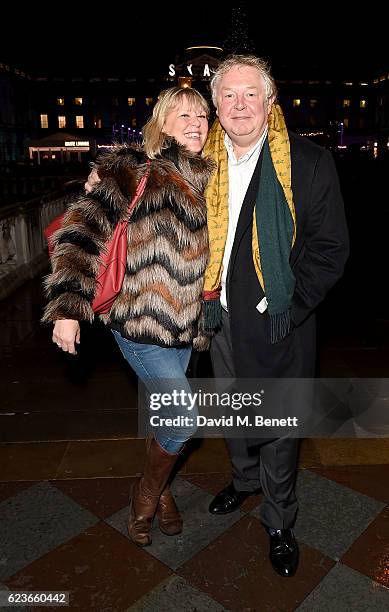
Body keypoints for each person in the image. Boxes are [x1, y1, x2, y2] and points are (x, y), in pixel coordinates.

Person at [42, 87, 214, 547]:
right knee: (183, 418)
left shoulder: (207, 177)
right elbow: (80, 235)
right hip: (138, 323)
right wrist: (67, 311)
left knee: (165, 417)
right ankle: (145, 495)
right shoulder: (131, 168)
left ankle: (163, 492)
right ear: (162, 122)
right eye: (183, 115)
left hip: (185, 328)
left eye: (202, 114)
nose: (196, 122)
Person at [200, 55, 349, 577]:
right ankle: (243, 481)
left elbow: (330, 249)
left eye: (250, 94)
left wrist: (285, 301)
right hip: (215, 318)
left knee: (280, 424)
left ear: (270, 101)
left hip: (279, 320)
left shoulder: (307, 163)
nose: (240, 105)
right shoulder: (198, 162)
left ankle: (279, 519)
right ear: (215, 105)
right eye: (228, 95)